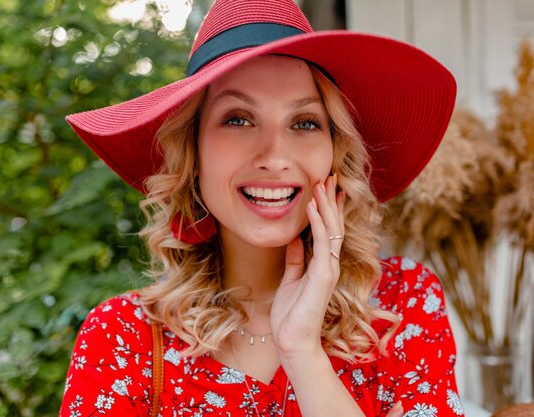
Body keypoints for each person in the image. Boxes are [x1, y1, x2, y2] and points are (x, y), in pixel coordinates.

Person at [60, 0, 461, 416]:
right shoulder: (124, 337)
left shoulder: (402, 305)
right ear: (192, 154)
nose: (275, 156)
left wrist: (302, 352)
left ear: (335, 155)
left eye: (305, 122)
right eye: (238, 119)